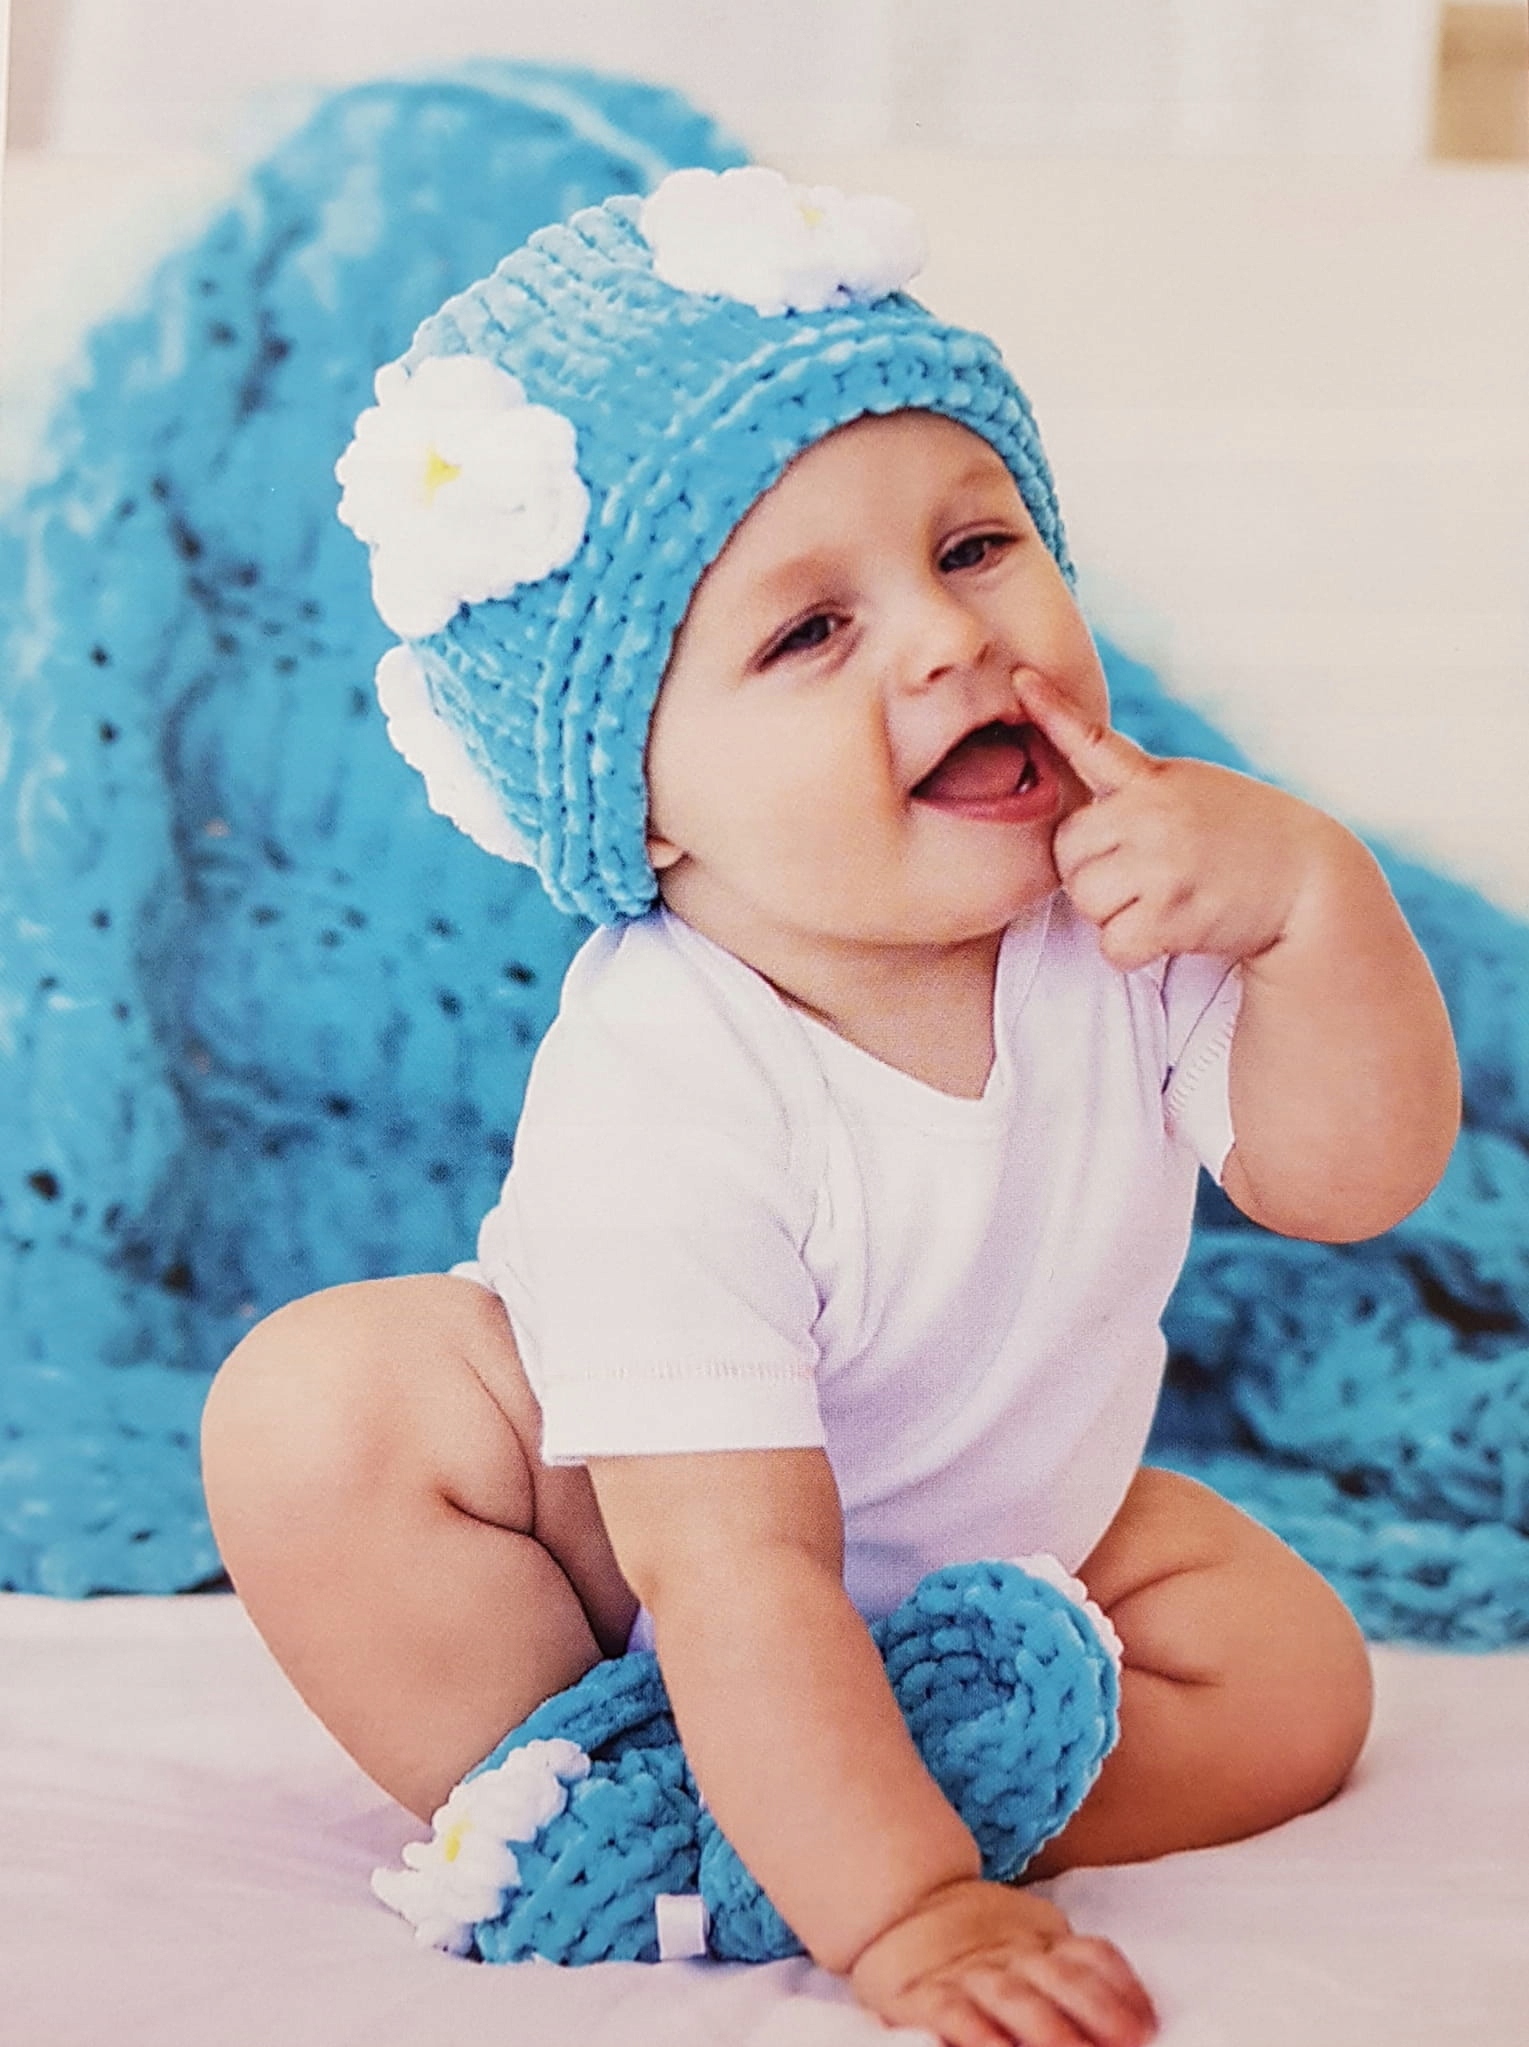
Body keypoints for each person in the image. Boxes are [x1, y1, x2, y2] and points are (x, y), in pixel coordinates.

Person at [200, 166, 1460, 2046]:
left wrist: (1309, 908)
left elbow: (1345, 1180)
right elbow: (733, 1566)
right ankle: (602, 1791)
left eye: (974, 547)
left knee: (1295, 1674)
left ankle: (899, 1775)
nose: (945, 640)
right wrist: (911, 1917)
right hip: (642, 1558)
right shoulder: (672, 1081)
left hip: (995, 1542)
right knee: (323, 1416)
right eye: (809, 634)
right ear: (634, 808)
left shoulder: (1128, 899)